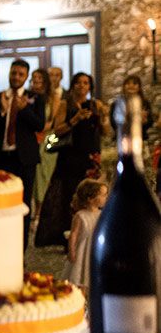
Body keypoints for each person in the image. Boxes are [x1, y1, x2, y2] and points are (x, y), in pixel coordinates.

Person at [34, 72, 109, 248]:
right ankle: (70, 236)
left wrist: (104, 118)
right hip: (70, 155)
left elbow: (105, 132)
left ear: (90, 87)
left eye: (86, 83)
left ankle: (91, 234)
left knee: (92, 195)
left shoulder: (95, 105)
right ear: (73, 85)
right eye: (78, 82)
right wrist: (75, 119)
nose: (82, 86)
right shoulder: (64, 104)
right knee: (69, 194)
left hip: (90, 155)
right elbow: (57, 131)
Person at [0, 59, 45, 246]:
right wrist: (2, 110)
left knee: (23, 205)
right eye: (13, 73)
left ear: (26, 77)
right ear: (9, 73)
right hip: (0, 158)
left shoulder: (35, 98)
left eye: (20, 74)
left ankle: (21, 249)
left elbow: (39, 125)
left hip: (24, 159)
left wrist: (24, 110)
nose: (16, 77)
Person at [62, 178, 108, 293]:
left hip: (96, 251)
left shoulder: (102, 214)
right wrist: (71, 250)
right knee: (81, 277)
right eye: (102, 195)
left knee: (94, 278)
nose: (106, 198)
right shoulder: (80, 216)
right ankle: (81, 300)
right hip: (83, 252)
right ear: (90, 199)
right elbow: (74, 234)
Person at [30, 68, 58, 209]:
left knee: (45, 173)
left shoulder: (53, 98)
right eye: (34, 78)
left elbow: (54, 122)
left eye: (40, 78)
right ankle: (34, 206)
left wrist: (41, 129)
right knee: (34, 174)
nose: (36, 81)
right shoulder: (29, 97)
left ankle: (42, 208)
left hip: (49, 137)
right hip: (33, 136)